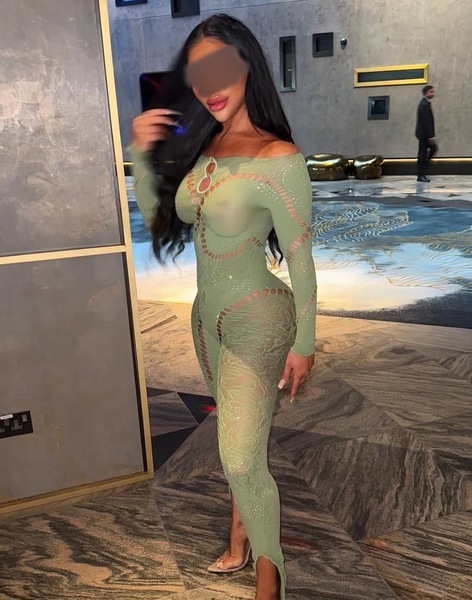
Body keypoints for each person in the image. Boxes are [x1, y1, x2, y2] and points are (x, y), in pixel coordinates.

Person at [130, 14, 317, 600]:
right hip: (204, 318)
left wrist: (305, 343)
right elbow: (159, 218)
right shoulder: (202, 148)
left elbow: (301, 257)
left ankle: (271, 579)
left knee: (238, 457)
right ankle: (239, 540)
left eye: (219, 68)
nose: (209, 86)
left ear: (246, 66)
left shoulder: (278, 156)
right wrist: (141, 155)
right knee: (240, 442)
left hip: (260, 318)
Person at [415, 84, 437, 182]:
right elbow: (426, 122)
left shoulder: (426, 103)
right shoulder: (424, 105)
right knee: (422, 154)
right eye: (431, 92)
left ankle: (422, 169)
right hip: (424, 134)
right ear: (425, 93)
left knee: (431, 150)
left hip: (424, 134)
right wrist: (430, 136)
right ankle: (420, 174)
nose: (433, 93)